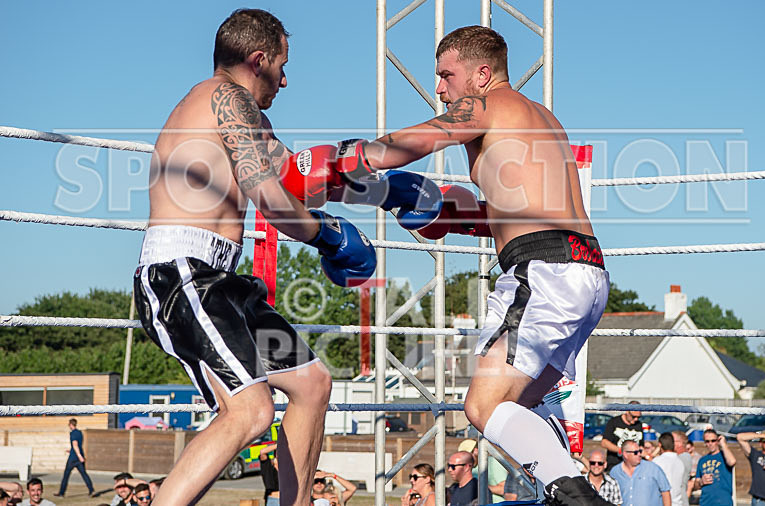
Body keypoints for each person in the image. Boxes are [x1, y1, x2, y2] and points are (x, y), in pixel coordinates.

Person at [284, 24, 611, 505]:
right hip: (585, 271)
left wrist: (347, 160)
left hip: (542, 272)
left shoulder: (487, 104)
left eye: (446, 75)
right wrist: (448, 216)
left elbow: (420, 139)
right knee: (521, 405)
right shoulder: (540, 120)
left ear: (482, 73)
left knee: (483, 406)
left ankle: (580, 499)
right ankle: (561, 490)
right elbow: (517, 212)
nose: (439, 88)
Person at [131, 8, 384, 506]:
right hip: (181, 276)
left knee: (312, 383)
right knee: (250, 411)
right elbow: (271, 198)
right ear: (259, 59)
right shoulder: (226, 98)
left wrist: (390, 185)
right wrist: (328, 236)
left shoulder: (250, 118)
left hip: (220, 281)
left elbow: (301, 180)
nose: (285, 81)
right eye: (282, 67)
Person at [609, 439, 671, 506]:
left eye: (640, 451)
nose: (639, 454)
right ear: (625, 454)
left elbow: (665, 492)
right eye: (636, 452)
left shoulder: (653, 468)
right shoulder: (615, 472)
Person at [692, 429, 736, 506]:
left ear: (717, 441)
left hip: (723, 502)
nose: (710, 444)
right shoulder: (702, 460)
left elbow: (732, 462)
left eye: (713, 441)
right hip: (706, 502)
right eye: (707, 441)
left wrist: (723, 444)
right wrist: (701, 482)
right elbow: (695, 486)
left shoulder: (724, 456)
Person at [55, 418, 95, 497]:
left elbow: (75, 444)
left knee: (66, 475)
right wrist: (72, 451)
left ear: (70, 425)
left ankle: (61, 492)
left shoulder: (73, 433)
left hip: (73, 458)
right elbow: (78, 445)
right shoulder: (80, 433)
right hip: (79, 456)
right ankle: (91, 490)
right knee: (84, 474)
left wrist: (78, 456)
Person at [458, 438, 507, 502]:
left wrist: (479, 487)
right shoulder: (467, 468)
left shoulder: (492, 463)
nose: (466, 458)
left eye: (468, 455)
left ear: (476, 451)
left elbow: (503, 489)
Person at [602, 403, 644, 469]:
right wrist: (621, 451)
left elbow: (641, 445)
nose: (636, 419)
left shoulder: (638, 425)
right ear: (627, 411)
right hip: (615, 463)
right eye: (633, 417)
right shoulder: (614, 422)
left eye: (638, 417)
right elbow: (604, 443)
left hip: (633, 465)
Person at [654, 432, 687, 506]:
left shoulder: (657, 461)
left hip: (663, 502)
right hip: (678, 503)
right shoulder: (680, 461)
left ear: (660, 445)